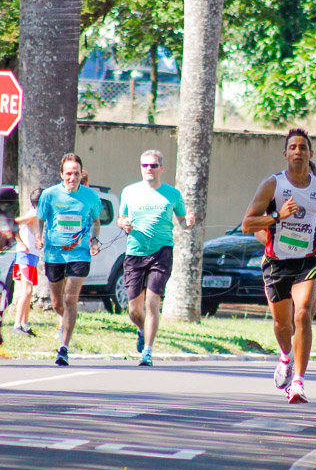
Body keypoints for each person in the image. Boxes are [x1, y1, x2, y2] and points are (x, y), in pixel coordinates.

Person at [241, 129, 316, 403]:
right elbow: (247, 224)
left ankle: (299, 382)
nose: (297, 151)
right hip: (277, 262)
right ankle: (286, 356)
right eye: (292, 147)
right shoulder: (273, 185)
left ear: (310, 154)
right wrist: (276, 216)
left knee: (303, 314)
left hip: (308, 261)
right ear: (285, 153)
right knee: (282, 325)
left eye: (302, 147)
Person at [118, 150, 195, 368]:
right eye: (145, 165)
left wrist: (188, 222)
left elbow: (181, 221)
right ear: (141, 167)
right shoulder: (129, 192)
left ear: (162, 168)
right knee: (134, 310)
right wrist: (123, 224)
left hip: (161, 252)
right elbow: (121, 217)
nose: (149, 169)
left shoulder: (172, 194)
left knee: (152, 302)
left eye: (153, 165)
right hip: (134, 252)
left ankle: (148, 352)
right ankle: (142, 330)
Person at [36, 153, 102, 367]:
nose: (72, 177)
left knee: (70, 300)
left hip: (79, 253)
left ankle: (63, 348)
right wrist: (38, 237)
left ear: (82, 174)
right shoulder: (49, 194)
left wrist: (94, 240)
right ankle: (65, 323)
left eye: (76, 173)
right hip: (55, 253)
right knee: (57, 303)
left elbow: (96, 221)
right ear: (61, 174)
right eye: (68, 174)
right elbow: (40, 220)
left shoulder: (91, 196)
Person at [10, 188, 43, 337]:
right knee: (27, 291)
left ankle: (24, 324)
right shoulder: (34, 213)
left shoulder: (40, 215)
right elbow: (12, 223)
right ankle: (17, 325)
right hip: (25, 256)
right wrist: (21, 243)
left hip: (32, 257)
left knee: (29, 293)